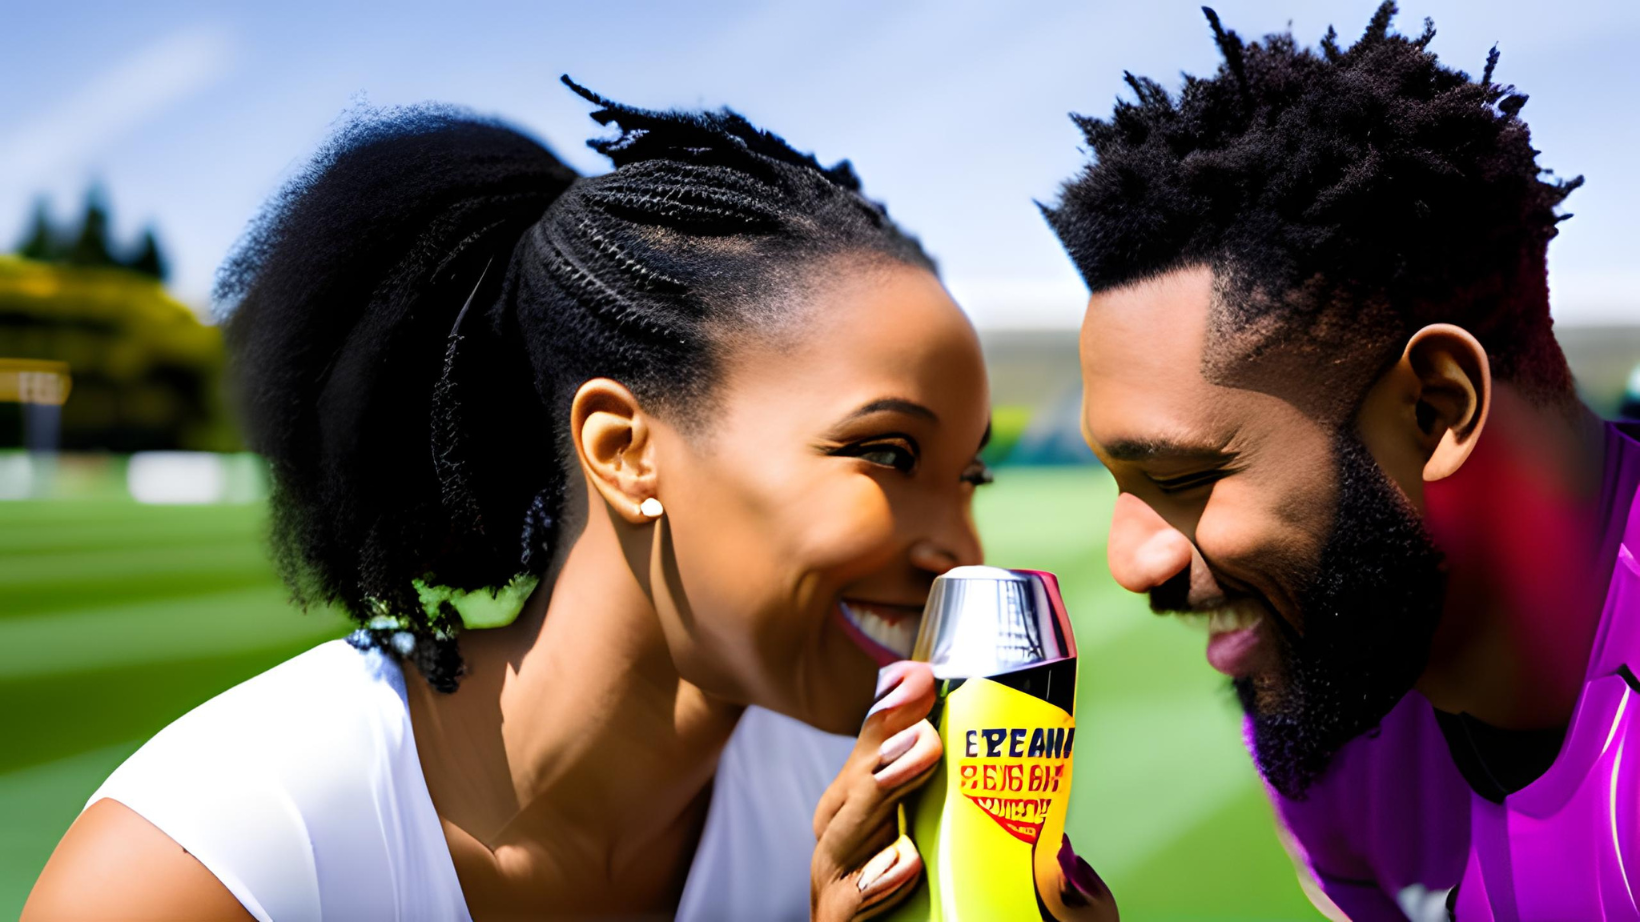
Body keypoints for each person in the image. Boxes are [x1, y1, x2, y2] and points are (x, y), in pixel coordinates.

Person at [23, 79, 999, 921]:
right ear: (623, 453)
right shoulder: (210, 869)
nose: (959, 547)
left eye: (968, 477)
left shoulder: (861, 818)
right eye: (886, 452)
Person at [1043, 3, 1640, 920]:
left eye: (1187, 479)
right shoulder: (1337, 720)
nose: (1132, 563)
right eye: (1120, 484)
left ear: (1437, 410)